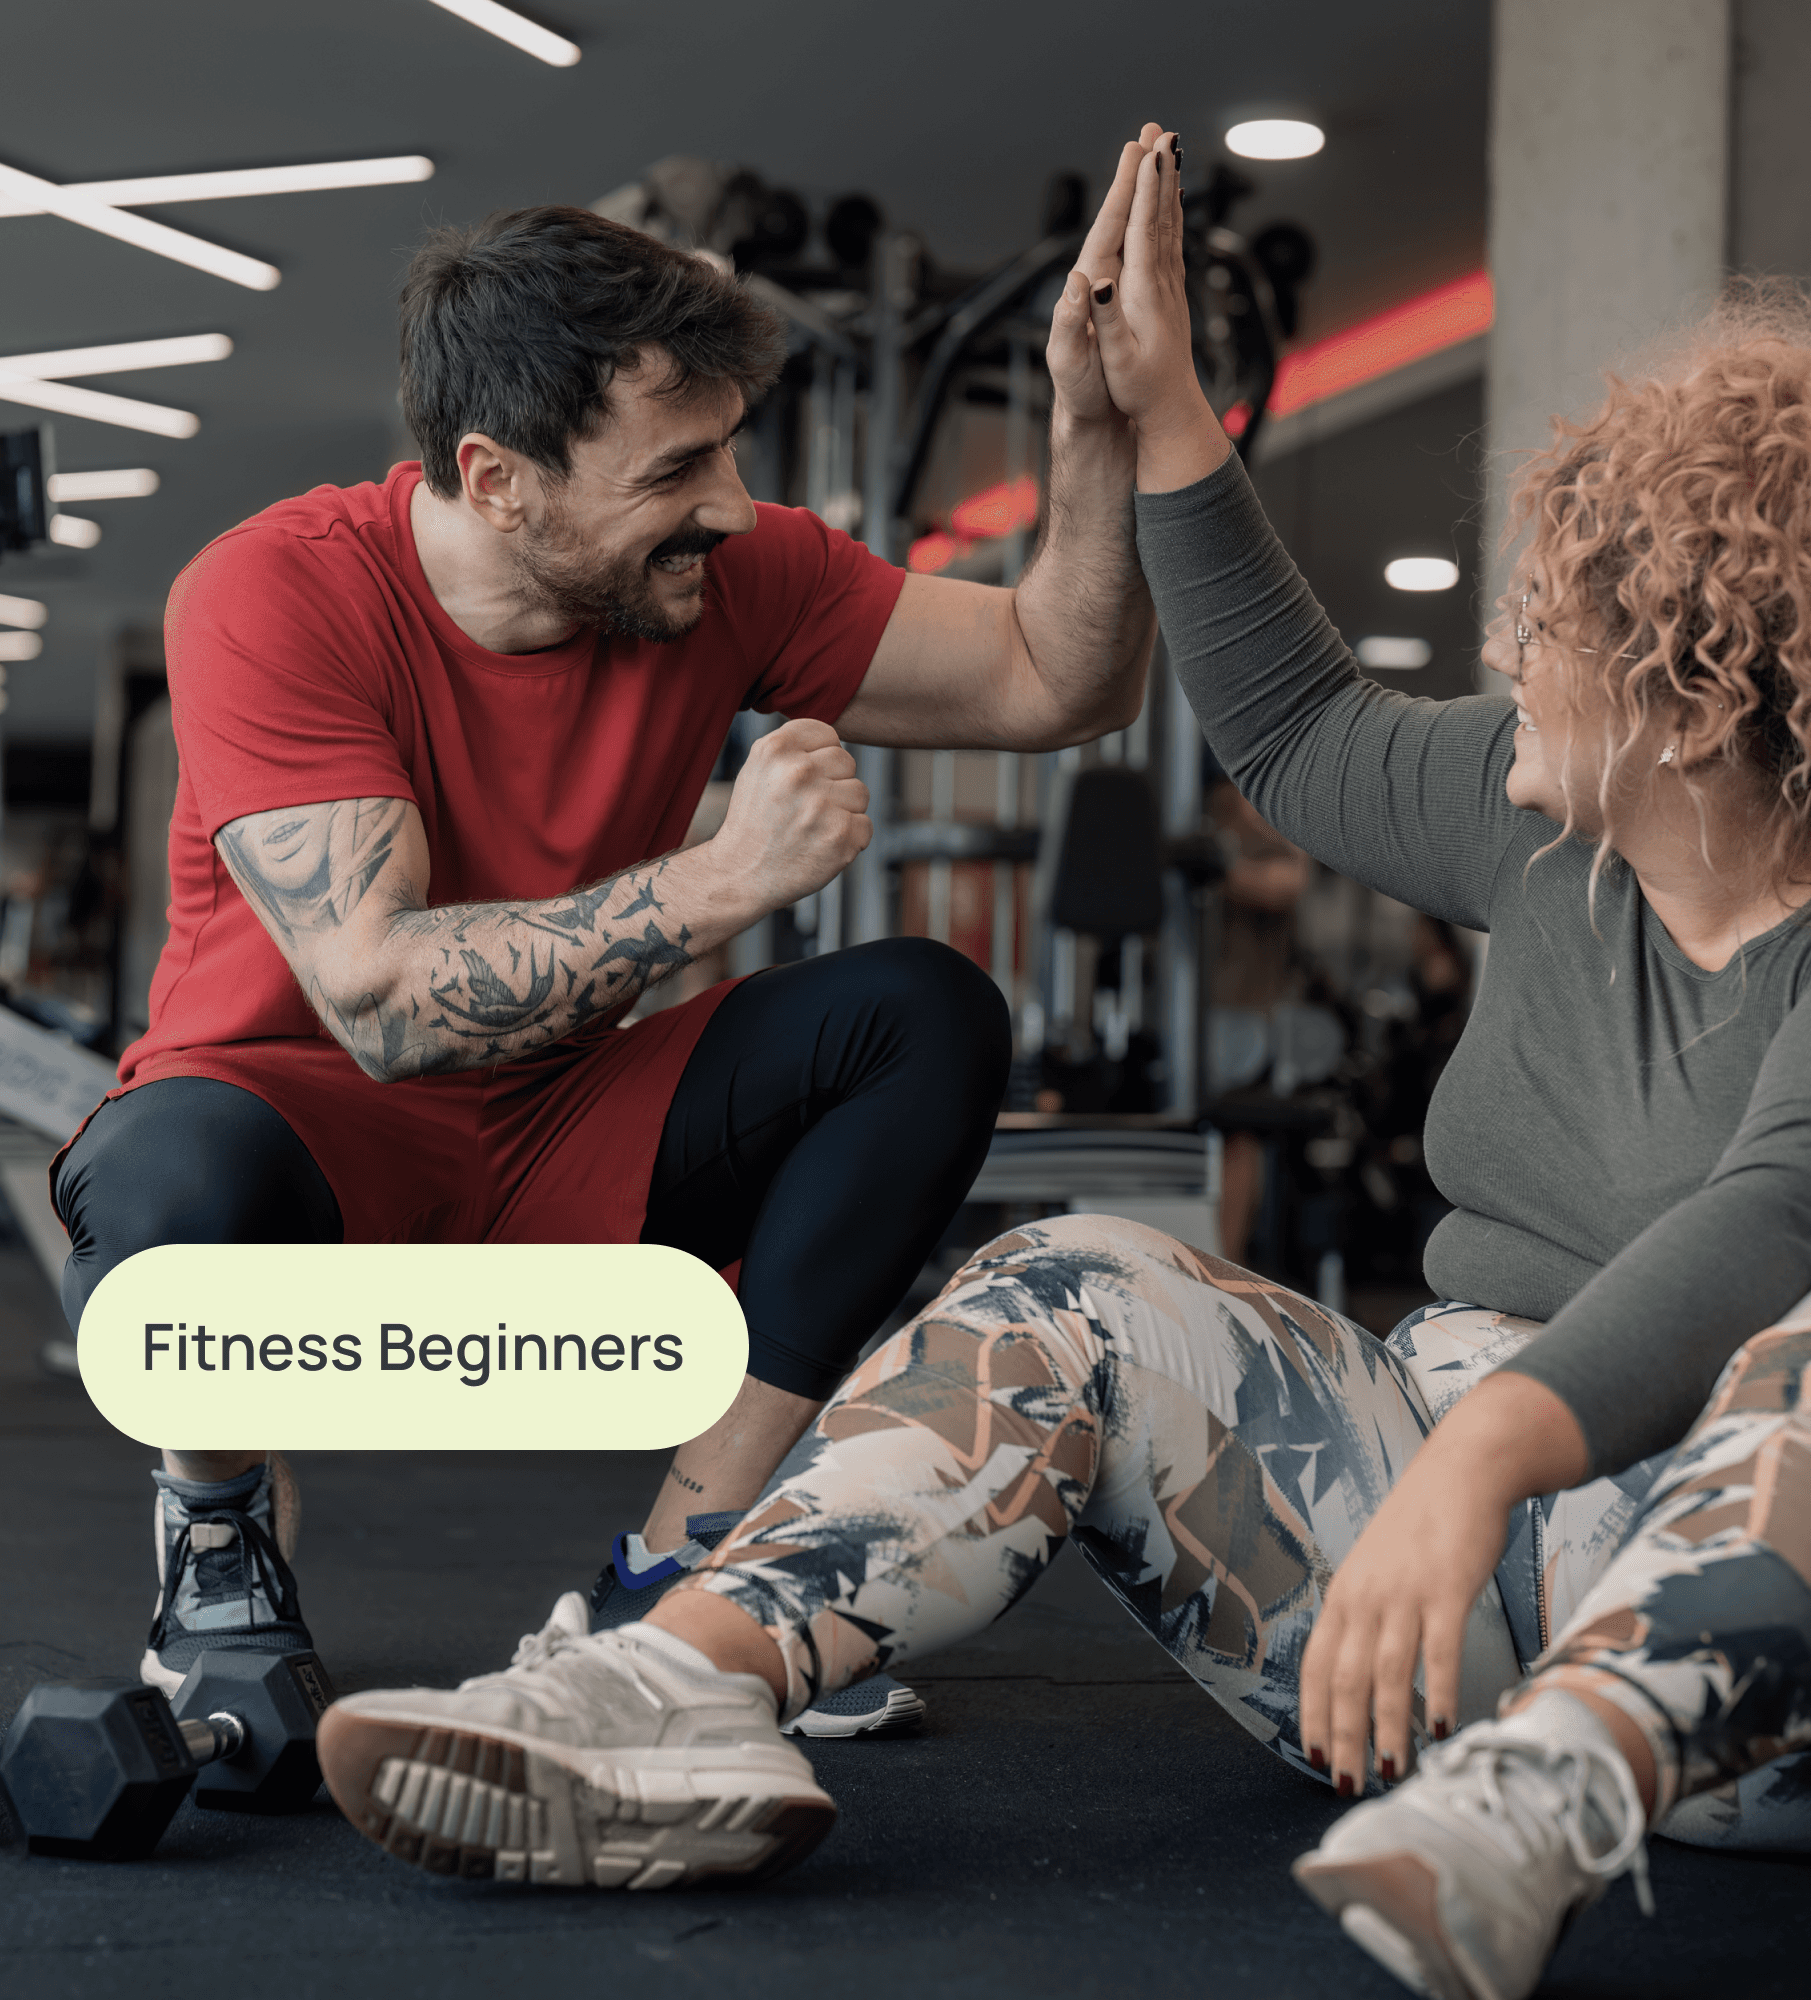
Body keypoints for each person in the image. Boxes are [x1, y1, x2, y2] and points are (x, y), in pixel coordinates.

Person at [315, 125, 1811, 2000]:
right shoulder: (1548, 827)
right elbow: (1291, 720)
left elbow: (1775, 1227)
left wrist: (1471, 1470)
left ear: (1698, 700)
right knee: (1075, 1280)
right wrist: (1158, 409)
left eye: (1559, 624)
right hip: (1438, 1609)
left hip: (1802, 1684)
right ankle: (674, 1684)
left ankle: (1562, 1784)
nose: (1506, 647)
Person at [50, 181, 1158, 1738]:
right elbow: (374, 1004)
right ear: (498, 479)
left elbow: (1058, 679)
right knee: (177, 1186)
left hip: (562, 1132)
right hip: (299, 1133)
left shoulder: (723, 573)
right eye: (680, 465)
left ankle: (685, 1570)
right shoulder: (275, 590)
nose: (729, 499)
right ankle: (220, 1532)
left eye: (728, 448)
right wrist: (725, 877)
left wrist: (1100, 438)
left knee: (921, 1012)